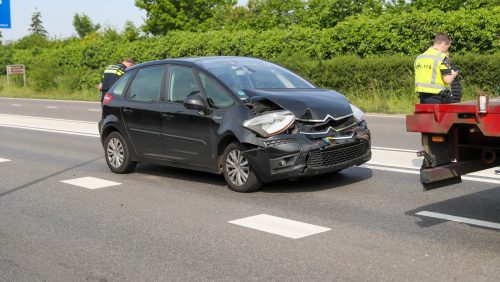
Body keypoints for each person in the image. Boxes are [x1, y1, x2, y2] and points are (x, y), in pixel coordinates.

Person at [414, 33, 459, 104]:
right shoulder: (442, 58)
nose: (447, 51)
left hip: (422, 96)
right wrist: (453, 74)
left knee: (426, 115)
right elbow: (447, 80)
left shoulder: (419, 57)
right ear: (443, 44)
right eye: (448, 47)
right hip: (438, 97)